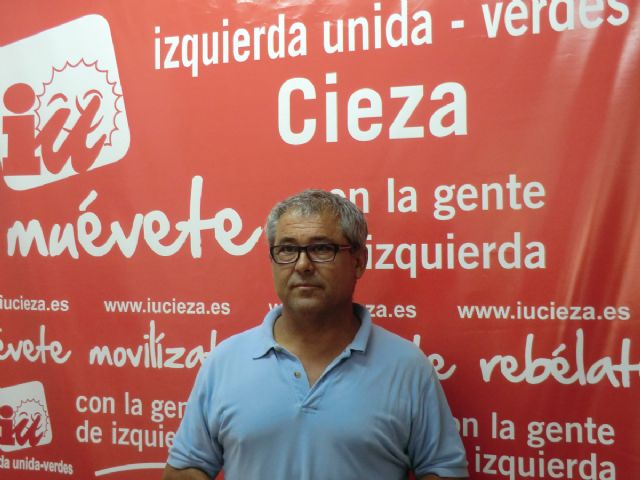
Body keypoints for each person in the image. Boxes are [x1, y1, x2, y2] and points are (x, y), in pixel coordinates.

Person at [162, 190, 469, 480]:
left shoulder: (407, 367)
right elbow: (187, 468)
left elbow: (442, 471)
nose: (302, 265)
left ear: (359, 261)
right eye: (287, 249)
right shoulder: (225, 362)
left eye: (322, 248)